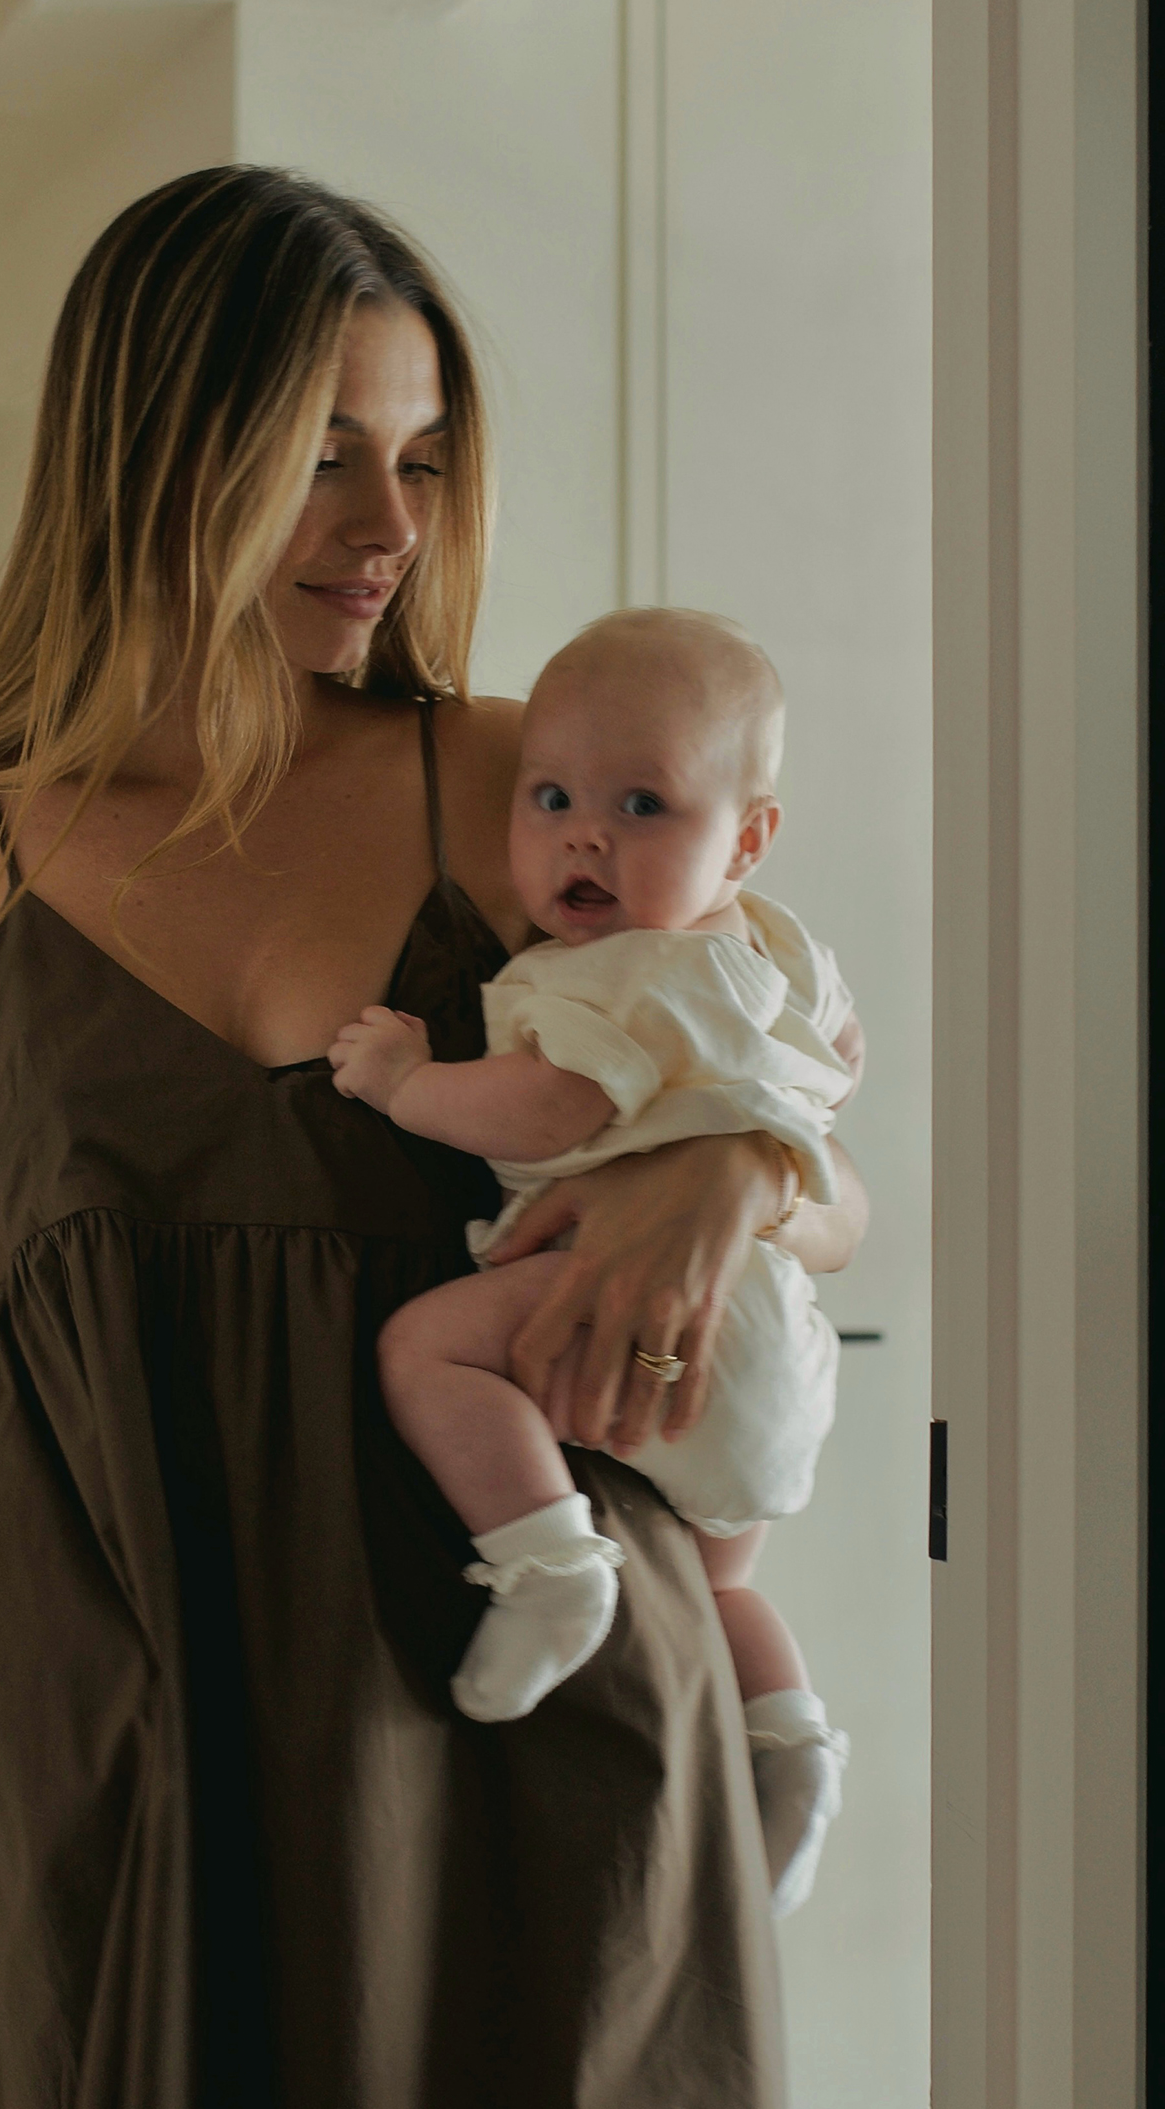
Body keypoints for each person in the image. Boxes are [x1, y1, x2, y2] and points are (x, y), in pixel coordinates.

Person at [0, 164, 868, 2109]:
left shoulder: (515, 782)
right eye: (316, 451)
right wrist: (19, 1621)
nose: (387, 520)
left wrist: (734, 1184)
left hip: (525, 1686)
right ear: (145, 454)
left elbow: (801, 1147)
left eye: (424, 452)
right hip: (138, 1709)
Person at [329, 607, 857, 1916]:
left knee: (428, 1350)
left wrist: (408, 1084)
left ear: (744, 838)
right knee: (726, 1581)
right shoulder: (774, 949)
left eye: (642, 805)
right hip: (777, 1351)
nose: (585, 837)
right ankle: (788, 1744)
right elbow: (840, 1068)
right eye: (554, 797)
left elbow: (551, 1111)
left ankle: (547, 1562)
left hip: (634, 1302)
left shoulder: (610, 976)